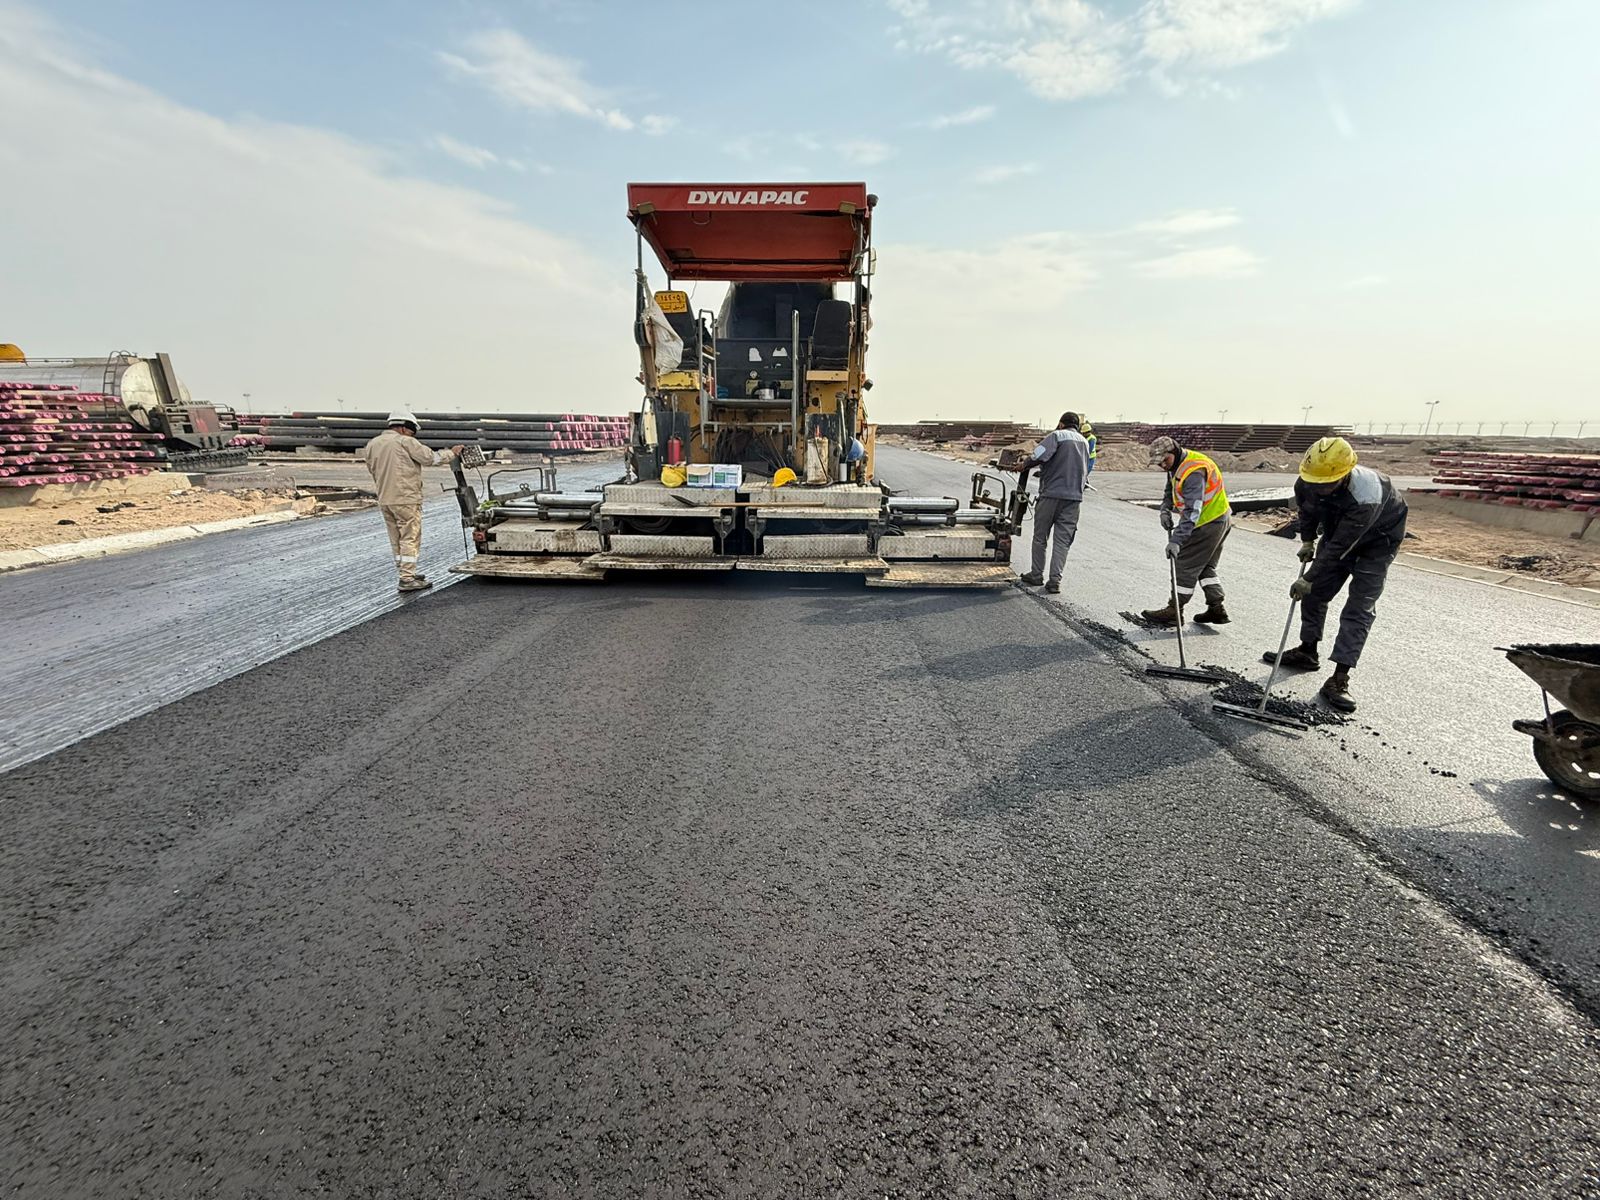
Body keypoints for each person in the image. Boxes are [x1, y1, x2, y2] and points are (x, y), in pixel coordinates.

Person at [1263, 436, 1408, 713]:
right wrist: (1308, 541)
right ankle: (1307, 651)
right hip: (1338, 531)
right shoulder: (1308, 480)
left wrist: (1308, 577)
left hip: (1378, 542)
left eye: (1327, 484)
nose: (1320, 488)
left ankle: (1339, 679)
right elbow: (1307, 511)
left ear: (1345, 474)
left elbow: (1341, 547)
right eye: (1315, 483)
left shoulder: (1365, 496)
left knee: (1358, 608)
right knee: (1315, 594)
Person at [362, 411, 464, 593]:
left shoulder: (373, 444)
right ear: (404, 427)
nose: (412, 435)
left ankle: (405, 572)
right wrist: (452, 453)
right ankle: (407, 579)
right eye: (411, 431)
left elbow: (372, 469)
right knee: (410, 537)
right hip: (405, 498)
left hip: (385, 498)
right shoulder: (405, 441)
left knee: (396, 538)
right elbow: (430, 458)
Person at [1141, 435, 1232, 625]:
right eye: (1159, 463)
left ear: (1174, 452)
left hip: (1207, 523)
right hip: (1219, 518)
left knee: (1184, 564)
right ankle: (1216, 608)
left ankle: (1174, 610)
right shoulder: (1177, 465)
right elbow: (1170, 487)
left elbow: (1193, 511)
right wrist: (1165, 509)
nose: (1163, 465)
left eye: (1165, 460)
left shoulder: (1193, 472)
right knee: (1204, 565)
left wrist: (1176, 540)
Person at [1019, 412, 1090, 594]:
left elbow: (1038, 454)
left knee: (1040, 537)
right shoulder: (1084, 442)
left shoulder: (1057, 436)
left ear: (1061, 423)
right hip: (1074, 498)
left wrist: (1024, 464)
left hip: (1051, 494)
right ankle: (1054, 581)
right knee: (1062, 541)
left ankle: (1036, 575)